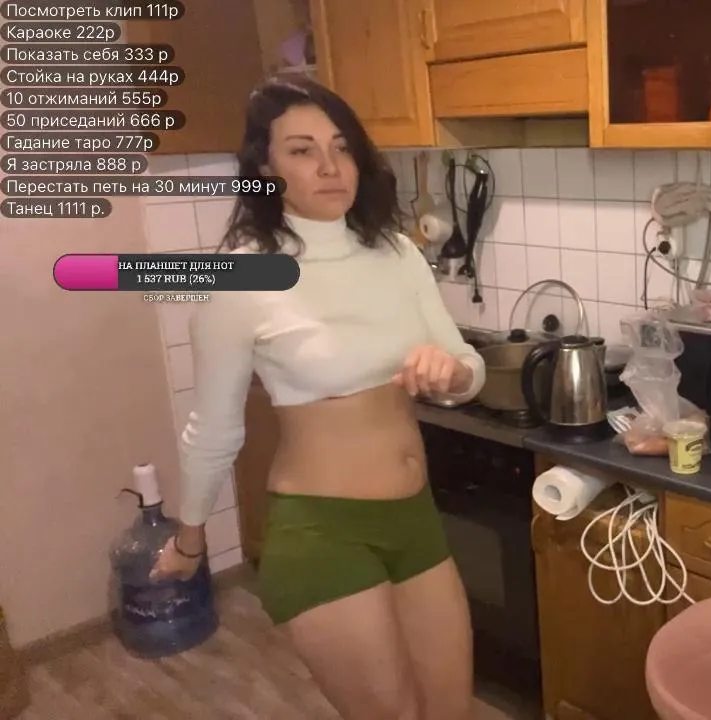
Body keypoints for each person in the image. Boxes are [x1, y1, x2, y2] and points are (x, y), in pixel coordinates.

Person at [150, 76, 486, 720]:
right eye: (302, 151)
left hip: (415, 519)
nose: (330, 166)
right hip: (323, 530)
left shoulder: (395, 252)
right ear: (265, 168)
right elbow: (213, 430)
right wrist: (191, 541)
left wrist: (452, 374)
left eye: (341, 147)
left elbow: (467, 367)